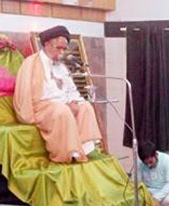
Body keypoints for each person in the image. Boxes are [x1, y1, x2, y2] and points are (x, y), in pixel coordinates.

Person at [13, 25, 102, 163]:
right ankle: (67, 153)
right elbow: (30, 93)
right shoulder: (31, 63)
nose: (62, 52)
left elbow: (71, 90)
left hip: (62, 104)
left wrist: (74, 102)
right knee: (62, 110)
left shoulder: (61, 66)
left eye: (64, 49)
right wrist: (66, 105)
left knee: (85, 106)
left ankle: (83, 149)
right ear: (47, 44)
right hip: (42, 107)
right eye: (59, 48)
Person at [138, 141, 169, 206]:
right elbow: (137, 183)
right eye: (145, 163)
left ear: (156, 155)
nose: (149, 166)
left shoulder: (168, 161)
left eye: (150, 162)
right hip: (150, 191)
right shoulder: (139, 163)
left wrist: (156, 198)